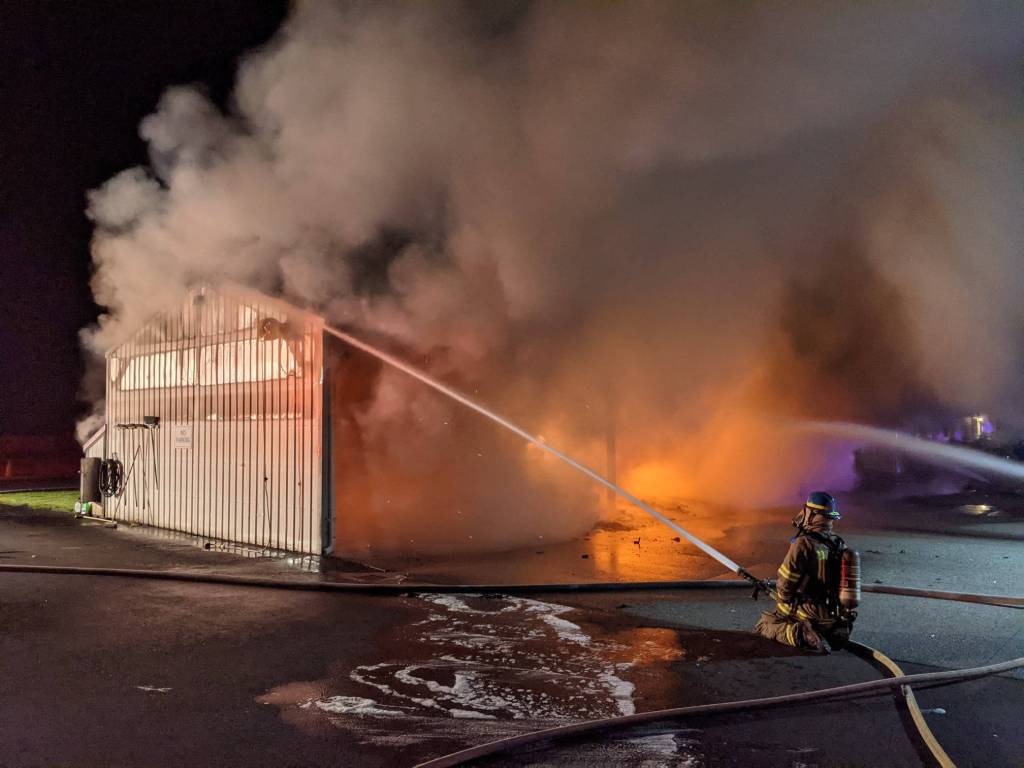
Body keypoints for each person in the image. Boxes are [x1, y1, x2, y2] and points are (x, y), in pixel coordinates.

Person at [755, 491, 854, 653]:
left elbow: (786, 584)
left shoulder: (804, 543)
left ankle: (801, 634)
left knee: (765, 625)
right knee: (821, 622)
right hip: (832, 616)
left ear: (812, 513)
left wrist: (782, 600)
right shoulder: (838, 543)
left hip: (810, 613)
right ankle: (833, 633)